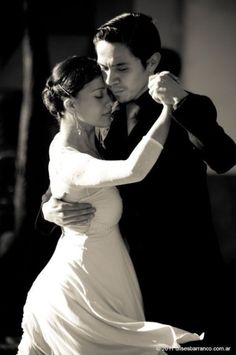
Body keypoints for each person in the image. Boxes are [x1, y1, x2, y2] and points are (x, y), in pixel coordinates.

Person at [40, 13, 236, 349]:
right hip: (122, 273)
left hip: (185, 270)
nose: (110, 79)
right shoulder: (102, 115)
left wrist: (181, 102)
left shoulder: (188, 108)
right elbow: (72, 169)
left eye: (121, 68)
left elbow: (223, 158)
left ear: (153, 62)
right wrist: (49, 208)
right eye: (102, 68)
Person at [17, 55, 204, 354]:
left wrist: (51, 205)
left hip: (118, 274)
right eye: (99, 94)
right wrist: (169, 108)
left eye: (108, 91)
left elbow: (60, 189)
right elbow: (132, 170)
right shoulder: (70, 156)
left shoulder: (88, 136)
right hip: (82, 292)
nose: (110, 102)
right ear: (71, 105)